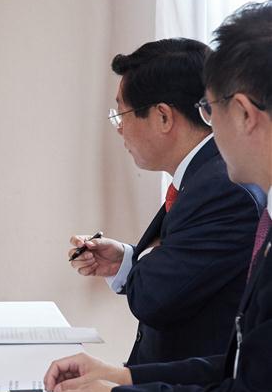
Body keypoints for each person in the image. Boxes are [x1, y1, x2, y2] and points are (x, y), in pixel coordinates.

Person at [42, 2, 272, 392]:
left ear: (244, 113)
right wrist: (123, 379)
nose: (209, 126)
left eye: (211, 109)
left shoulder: (224, 190)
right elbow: (241, 369)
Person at [68, 38, 263, 365]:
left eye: (122, 113)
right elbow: (179, 269)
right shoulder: (201, 175)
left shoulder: (222, 187)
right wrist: (127, 261)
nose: (119, 129)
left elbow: (153, 298)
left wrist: (145, 263)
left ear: (162, 117)